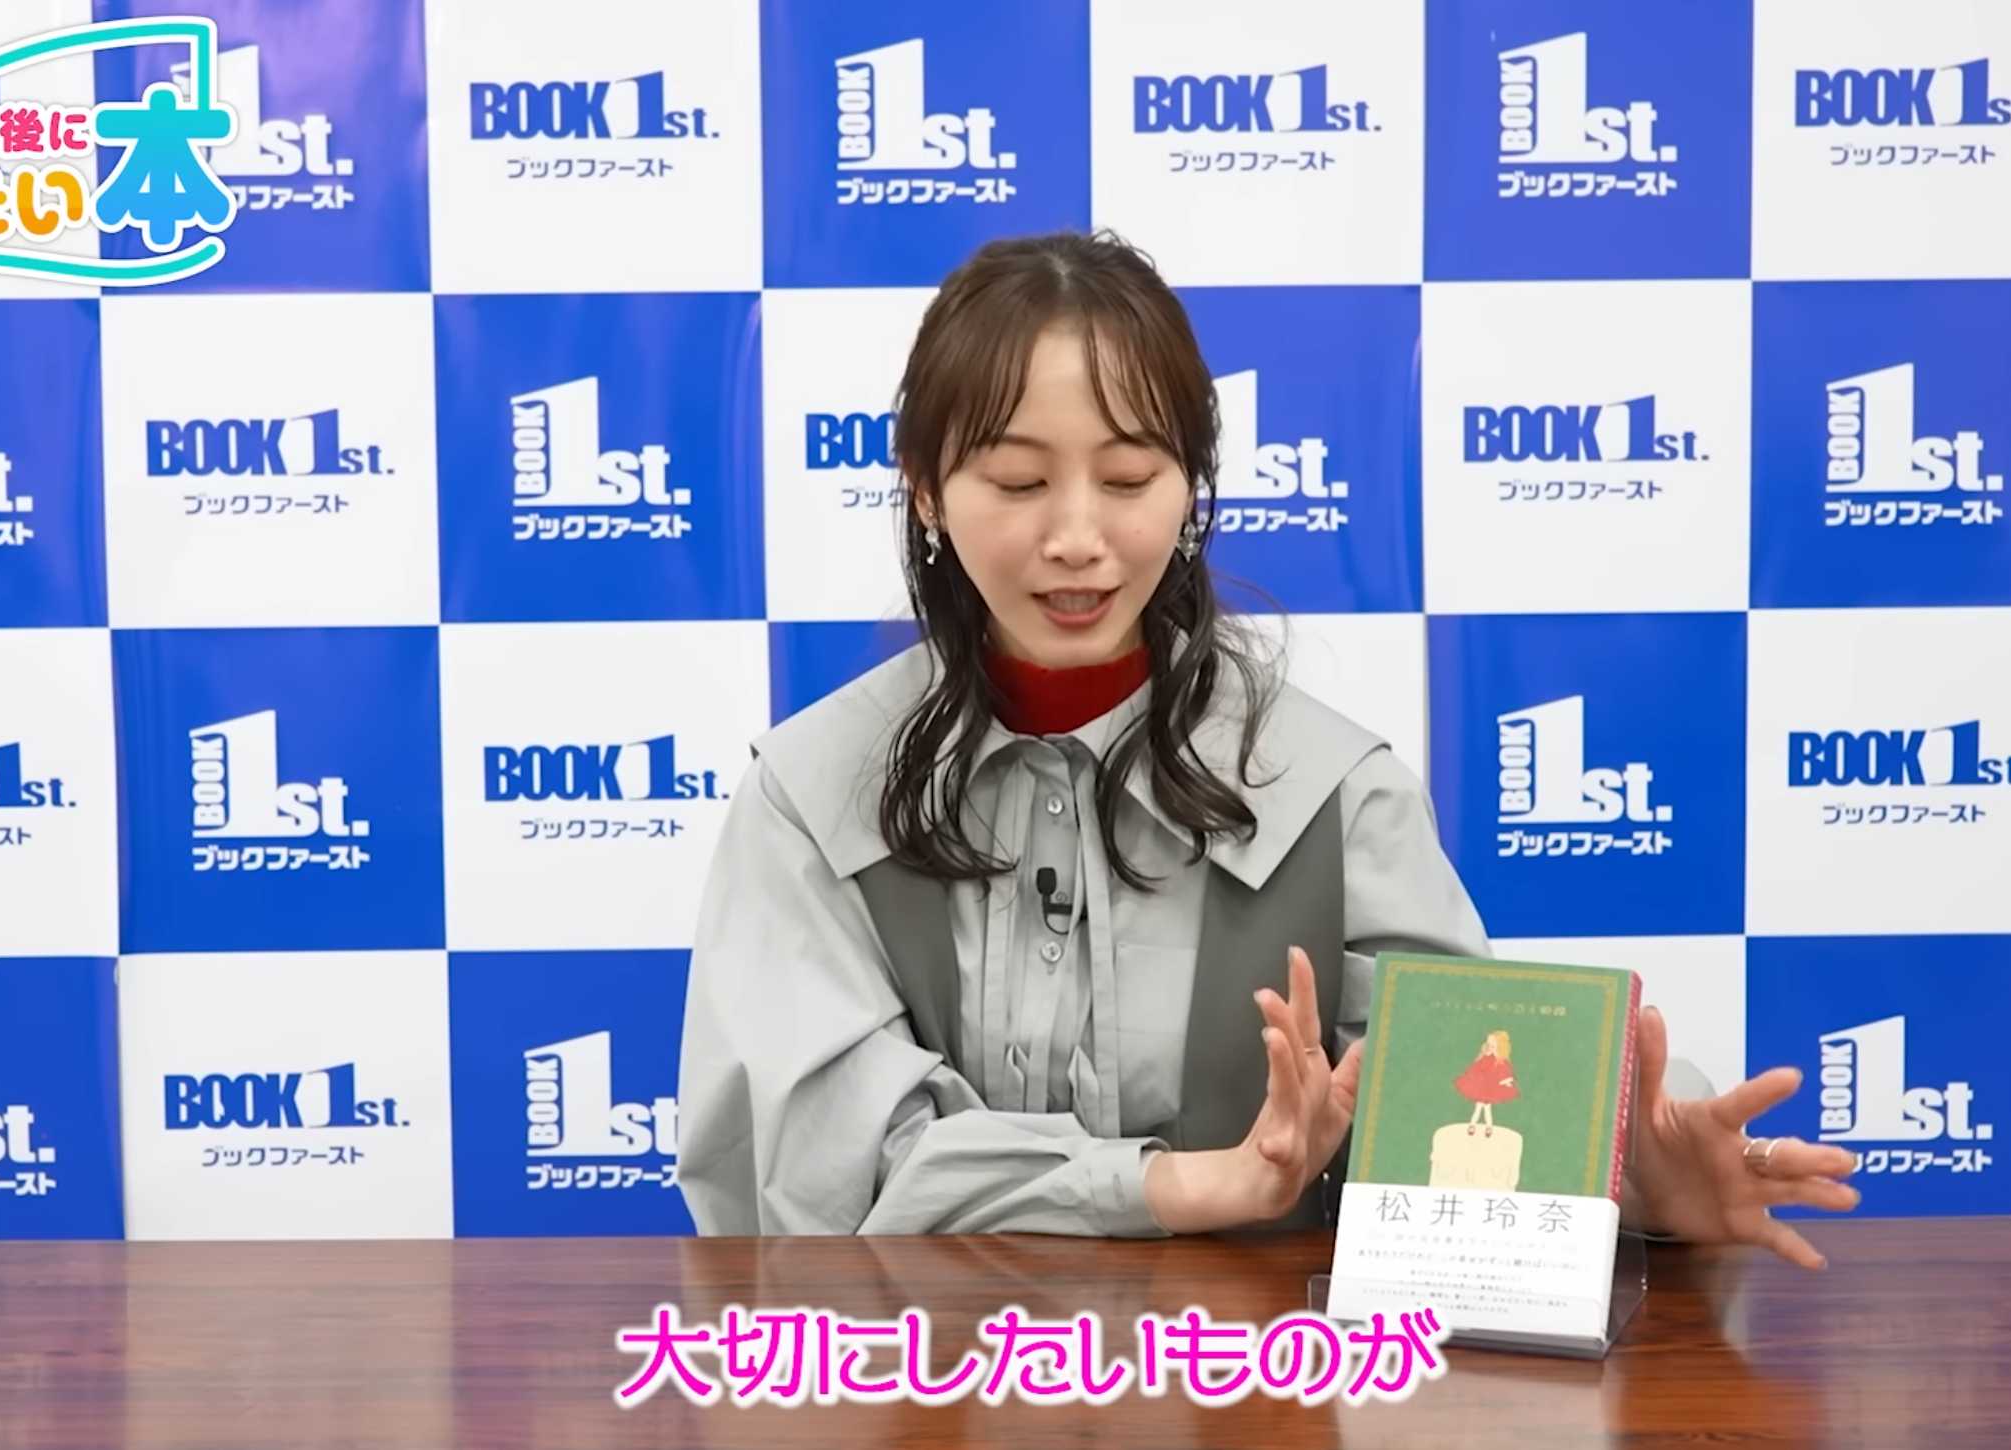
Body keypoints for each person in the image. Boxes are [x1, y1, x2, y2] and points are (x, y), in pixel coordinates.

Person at [676, 230, 1861, 1265]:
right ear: (927, 490)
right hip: (910, 1393)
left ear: (1191, 489)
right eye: (1019, 480)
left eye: (1129, 477)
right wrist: (1181, 1185)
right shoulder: (811, 797)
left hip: (1251, 1391)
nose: (1077, 536)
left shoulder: (1330, 794)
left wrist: (1642, 1188)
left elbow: (1462, 1112)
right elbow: (816, 1175)